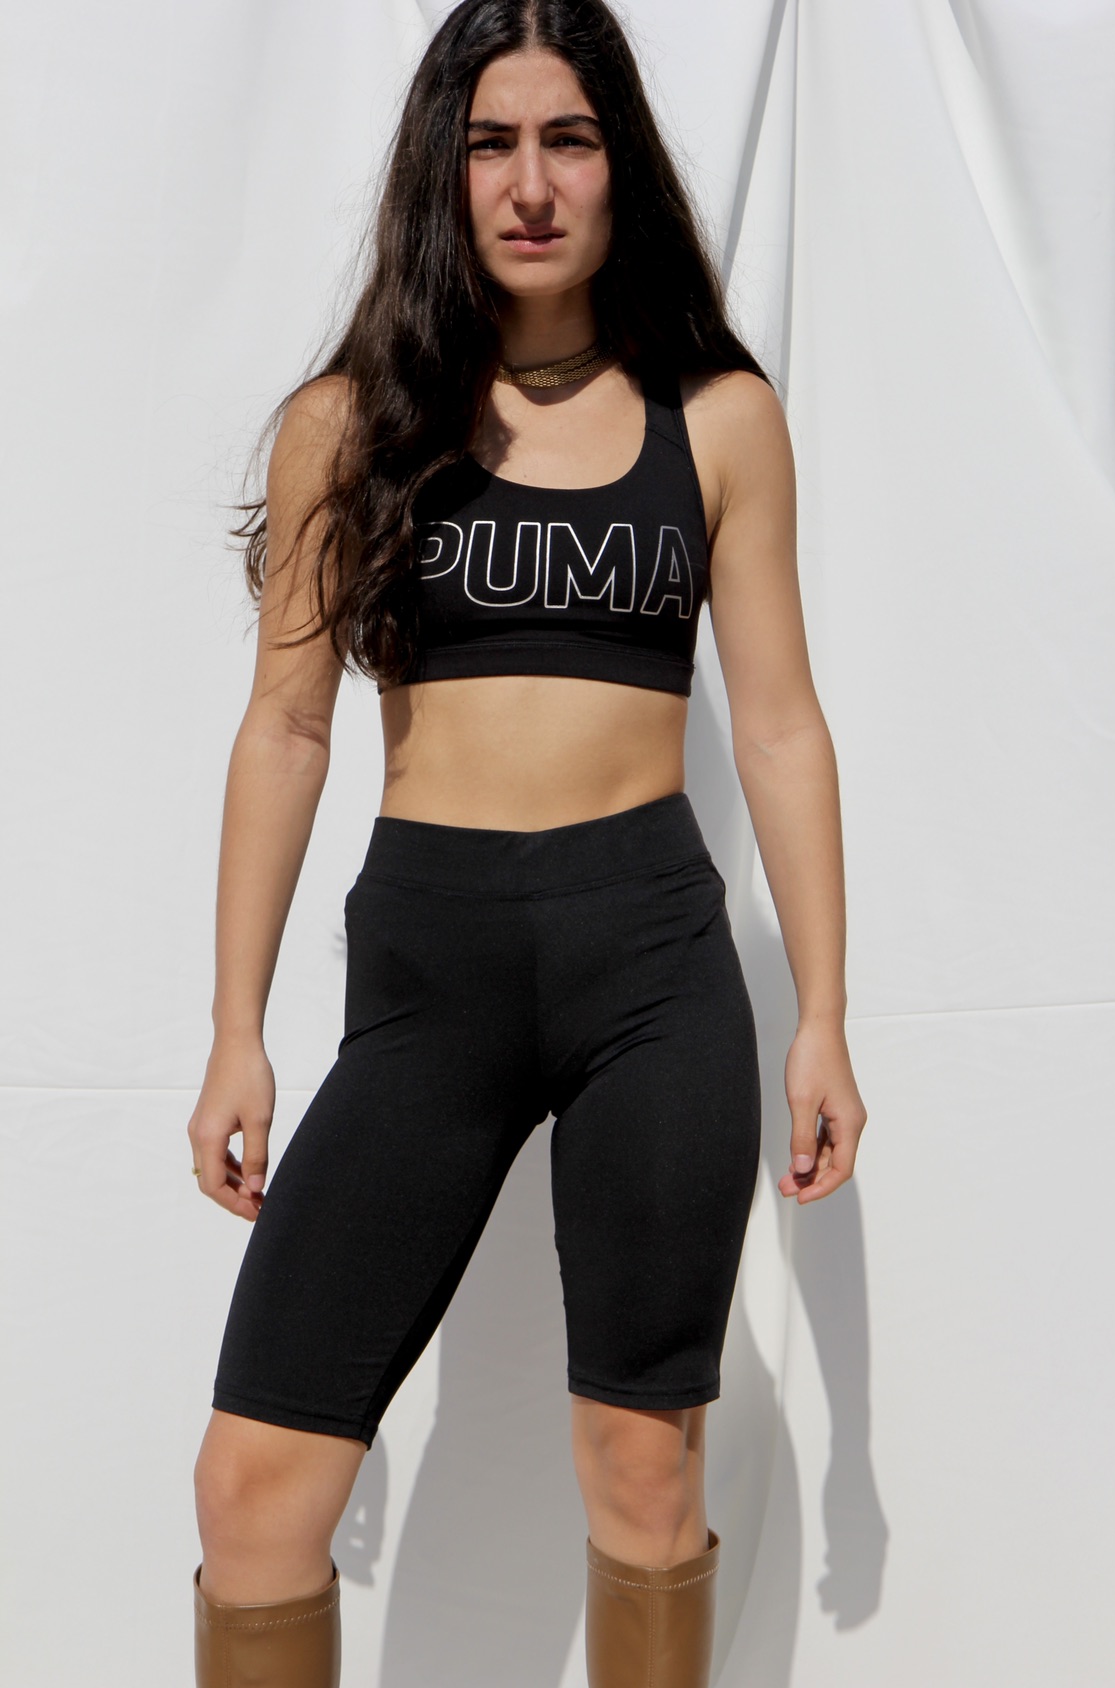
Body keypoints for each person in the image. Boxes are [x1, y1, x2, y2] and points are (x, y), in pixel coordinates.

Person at [186, 1, 867, 1684]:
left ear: (620, 163)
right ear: (445, 167)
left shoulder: (718, 417)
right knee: (255, 1490)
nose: (532, 183)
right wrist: (235, 1031)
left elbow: (779, 726)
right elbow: (286, 730)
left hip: (650, 963)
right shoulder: (351, 420)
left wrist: (827, 1017)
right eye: (492, 143)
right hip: (429, 975)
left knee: (645, 1471)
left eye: (569, 138)